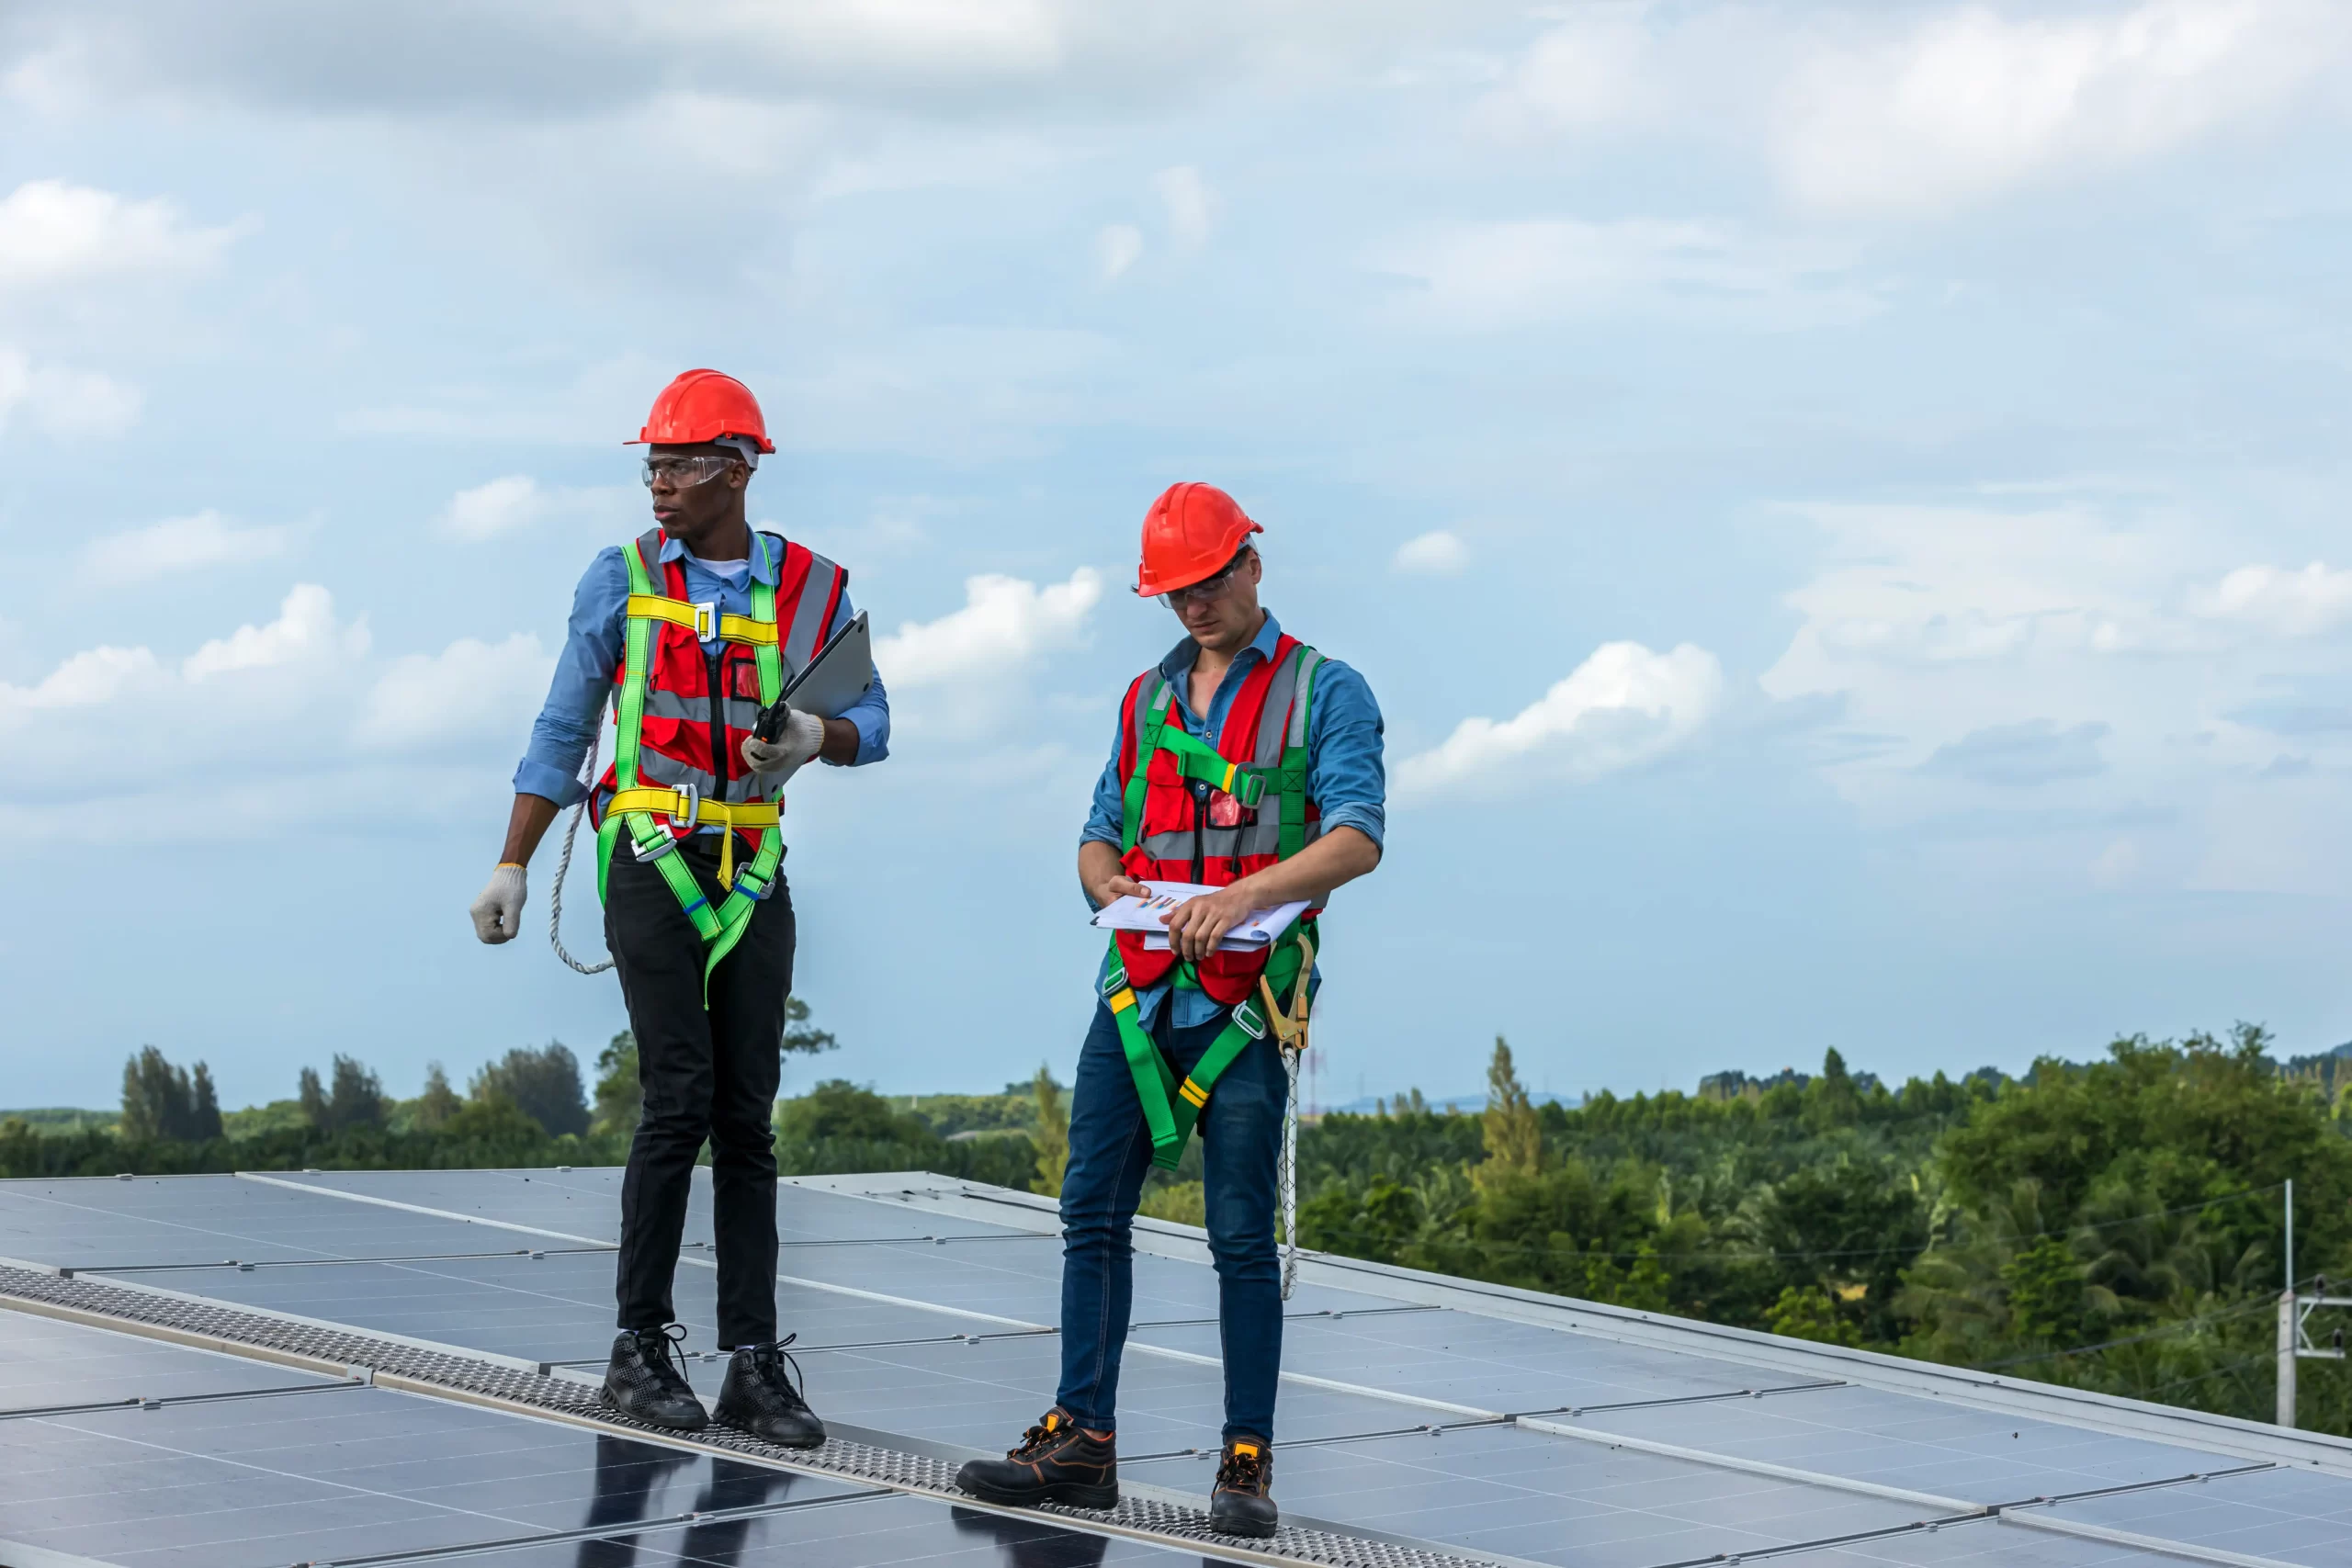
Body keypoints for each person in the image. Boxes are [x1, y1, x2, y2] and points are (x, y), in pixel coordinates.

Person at [468, 368, 889, 1448]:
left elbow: (873, 718)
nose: (659, 483)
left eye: (681, 464)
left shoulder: (812, 588)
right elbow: (563, 726)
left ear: (737, 471)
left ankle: (754, 1360)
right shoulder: (616, 580)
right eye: (652, 463)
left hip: (751, 867)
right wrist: (512, 860)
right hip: (648, 853)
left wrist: (815, 738)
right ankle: (638, 1348)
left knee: (747, 1114)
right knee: (678, 1096)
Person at [956, 483, 1385, 1537]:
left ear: (1250, 565)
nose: (1189, 607)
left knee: (1238, 1232)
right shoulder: (1145, 700)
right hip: (1136, 995)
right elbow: (1098, 832)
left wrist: (1243, 897)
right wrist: (1105, 887)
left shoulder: (1325, 691)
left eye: (1203, 584)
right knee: (1087, 1212)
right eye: (1171, 593)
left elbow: (1358, 838)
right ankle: (1082, 1445)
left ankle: (1244, 1461)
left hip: (1245, 1003)